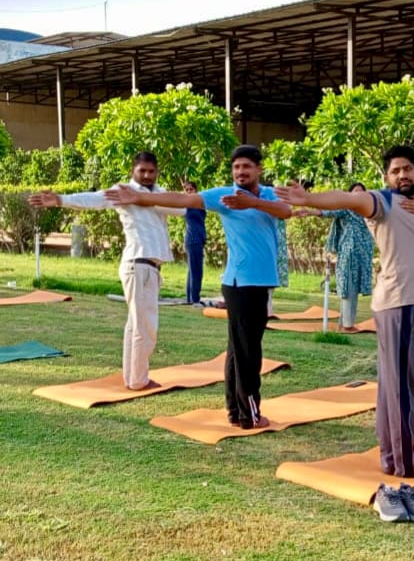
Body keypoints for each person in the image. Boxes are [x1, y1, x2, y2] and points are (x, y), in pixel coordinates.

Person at [275, 145, 414, 522]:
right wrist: (309, 198)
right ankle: (406, 464)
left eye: (408, 169)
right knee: (403, 387)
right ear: (386, 177)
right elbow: (349, 198)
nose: (402, 175)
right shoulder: (383, 202)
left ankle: (392, 457)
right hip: (403, 302)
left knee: (393, 385)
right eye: (395, 170)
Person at [105, 145, 291, 430]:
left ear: (258, 169)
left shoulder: (268, 194)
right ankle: (250, 415)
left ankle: (235, 411)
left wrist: (252, 203)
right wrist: (141, 196)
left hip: (261, 281)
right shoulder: (224, 196)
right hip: (240, 283)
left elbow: (286, 211)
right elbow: (183, 198)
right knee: (248, 351)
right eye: (236, 167)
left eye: (246, 167)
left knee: (238, 348)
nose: (240, 172)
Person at [28, 152, 186, 390]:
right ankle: (138, 380)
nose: (146, 175)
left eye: (151, 171)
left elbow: (182, 209)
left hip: (148, 266)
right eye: (142, 171)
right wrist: (60, 199)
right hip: (138, 263)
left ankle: (133, 377)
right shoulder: (122, 191)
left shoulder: (158, 193)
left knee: (136, 324)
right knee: (145, 326)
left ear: (157, 172)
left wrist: (145, 198)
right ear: (133, 170)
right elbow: (94, 199)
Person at [294, 182, 375, 331]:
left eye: (361, 192)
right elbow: (328, 212)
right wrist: (310, 212)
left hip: (364, 256)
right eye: (355, 192)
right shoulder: (346, 209)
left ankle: (345, 323)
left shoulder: (368, 211)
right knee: (348, 288)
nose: (358, 195)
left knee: (354, 289)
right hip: (349, 254)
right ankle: (348, 325)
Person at [181, 180, 207, 305]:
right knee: (196, 270)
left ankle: (191, 298)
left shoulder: (199, 203)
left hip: (199, 240)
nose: (189, 192)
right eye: (186, 190)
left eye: (191, 189)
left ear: (196, 190)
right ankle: (194, 299)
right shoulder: (186, 205)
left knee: (193, 270)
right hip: (192, 240)